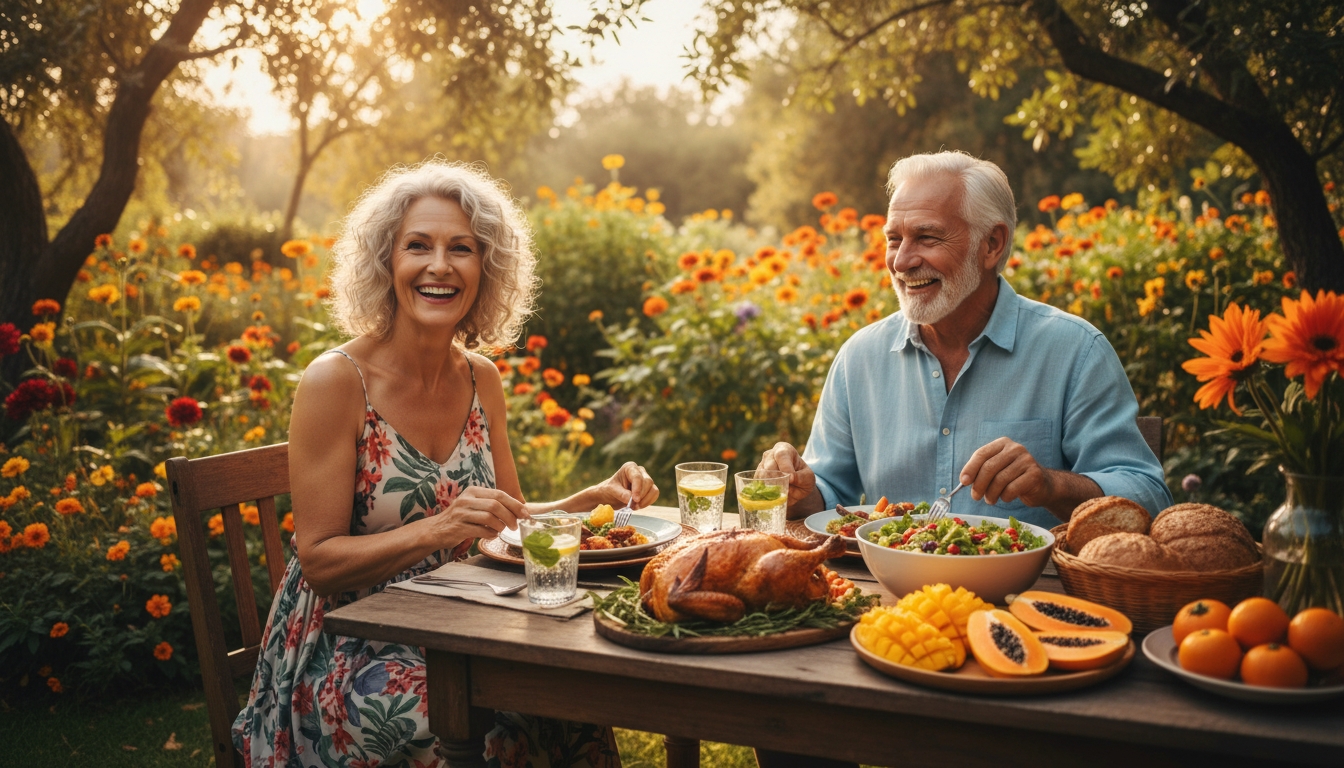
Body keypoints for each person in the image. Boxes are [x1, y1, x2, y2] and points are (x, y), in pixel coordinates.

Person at [232, 161, 658, 768]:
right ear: (386, 263)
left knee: (566, 702)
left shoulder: (481, 377)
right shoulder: (336, 381)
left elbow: (505, 522)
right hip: (350, 645)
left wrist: (587, 501)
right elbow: (321, 561)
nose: (440, 265)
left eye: (462, 248)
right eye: (418, 246)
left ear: (487, 270)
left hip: (462, 622)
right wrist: (440, 528)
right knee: (474, 729)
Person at [762, 150, 1172, 534]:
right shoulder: (860, 357)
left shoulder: (1075, 351)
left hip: (1028, 600)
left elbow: (1148, 497)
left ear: (991, 244)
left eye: (927, 238)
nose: (901, 261)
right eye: (893, 239)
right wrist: (795, 489)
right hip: (889, 598)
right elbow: (827, 497)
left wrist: (1049, 485)